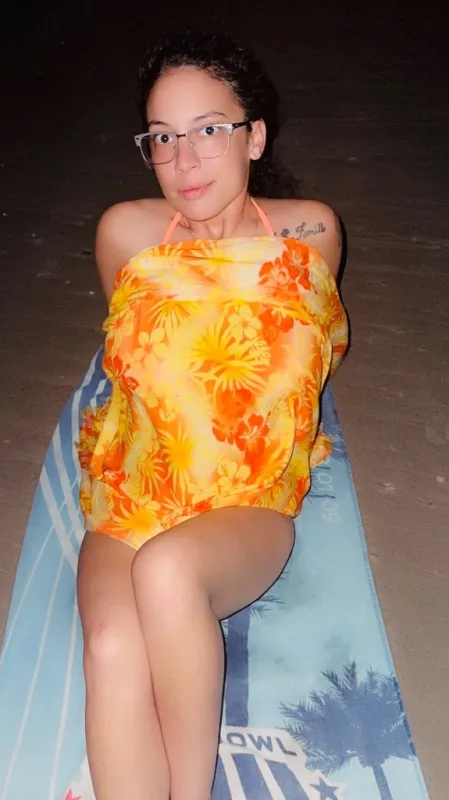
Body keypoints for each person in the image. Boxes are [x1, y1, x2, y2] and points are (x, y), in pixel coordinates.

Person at [76, 29, 348, 800]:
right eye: (163, 137)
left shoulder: (308, 233)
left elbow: (312, 352)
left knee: (168, 571)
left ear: (254, 137)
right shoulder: (125, 233)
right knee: (111, 647)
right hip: (136, 487)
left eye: (208, 130)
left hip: (245, 501)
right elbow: (132, 343)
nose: (184, 160)